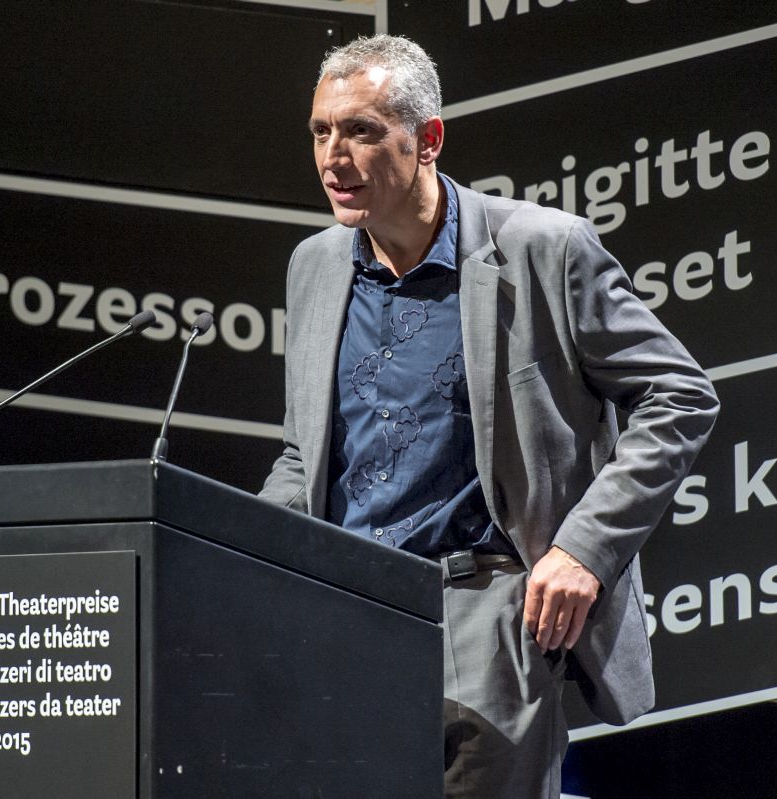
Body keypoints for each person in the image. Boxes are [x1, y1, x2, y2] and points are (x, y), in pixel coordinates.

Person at [260, 34, 718, 798]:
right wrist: (246, 551)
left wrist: (584, 550)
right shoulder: (315, 265)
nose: (333, 156)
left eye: (361, 130)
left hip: (485, 611)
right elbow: (305, 455)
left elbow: (680, 394)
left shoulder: (544, 249)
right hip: (344, 611)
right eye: (320, 131)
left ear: (428, 139)